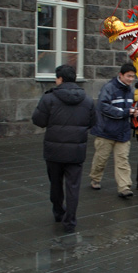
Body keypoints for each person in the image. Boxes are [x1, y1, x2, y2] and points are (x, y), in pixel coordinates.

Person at [31, 65, 96, 233]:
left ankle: (58, 211)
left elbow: (38, 120)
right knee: (73, 186)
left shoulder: (49, 98)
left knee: (55, 183)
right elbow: (92, 122)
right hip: (76, 150)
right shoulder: (87, 100)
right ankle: (70, 221)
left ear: (59, 79)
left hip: (54, 150)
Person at [89, 63, 138, 199]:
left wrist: (133, 112)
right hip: (106, 131)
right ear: (120, 75)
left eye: (133, 77)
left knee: (123, 160)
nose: (130, 79)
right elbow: (103, 107)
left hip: (123, 132)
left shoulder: (131, 90)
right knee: (101, 159)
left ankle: (124, 187)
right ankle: (95, 178)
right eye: (128, 76)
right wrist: (125, 112)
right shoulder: (109, 88)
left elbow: (130, 107)